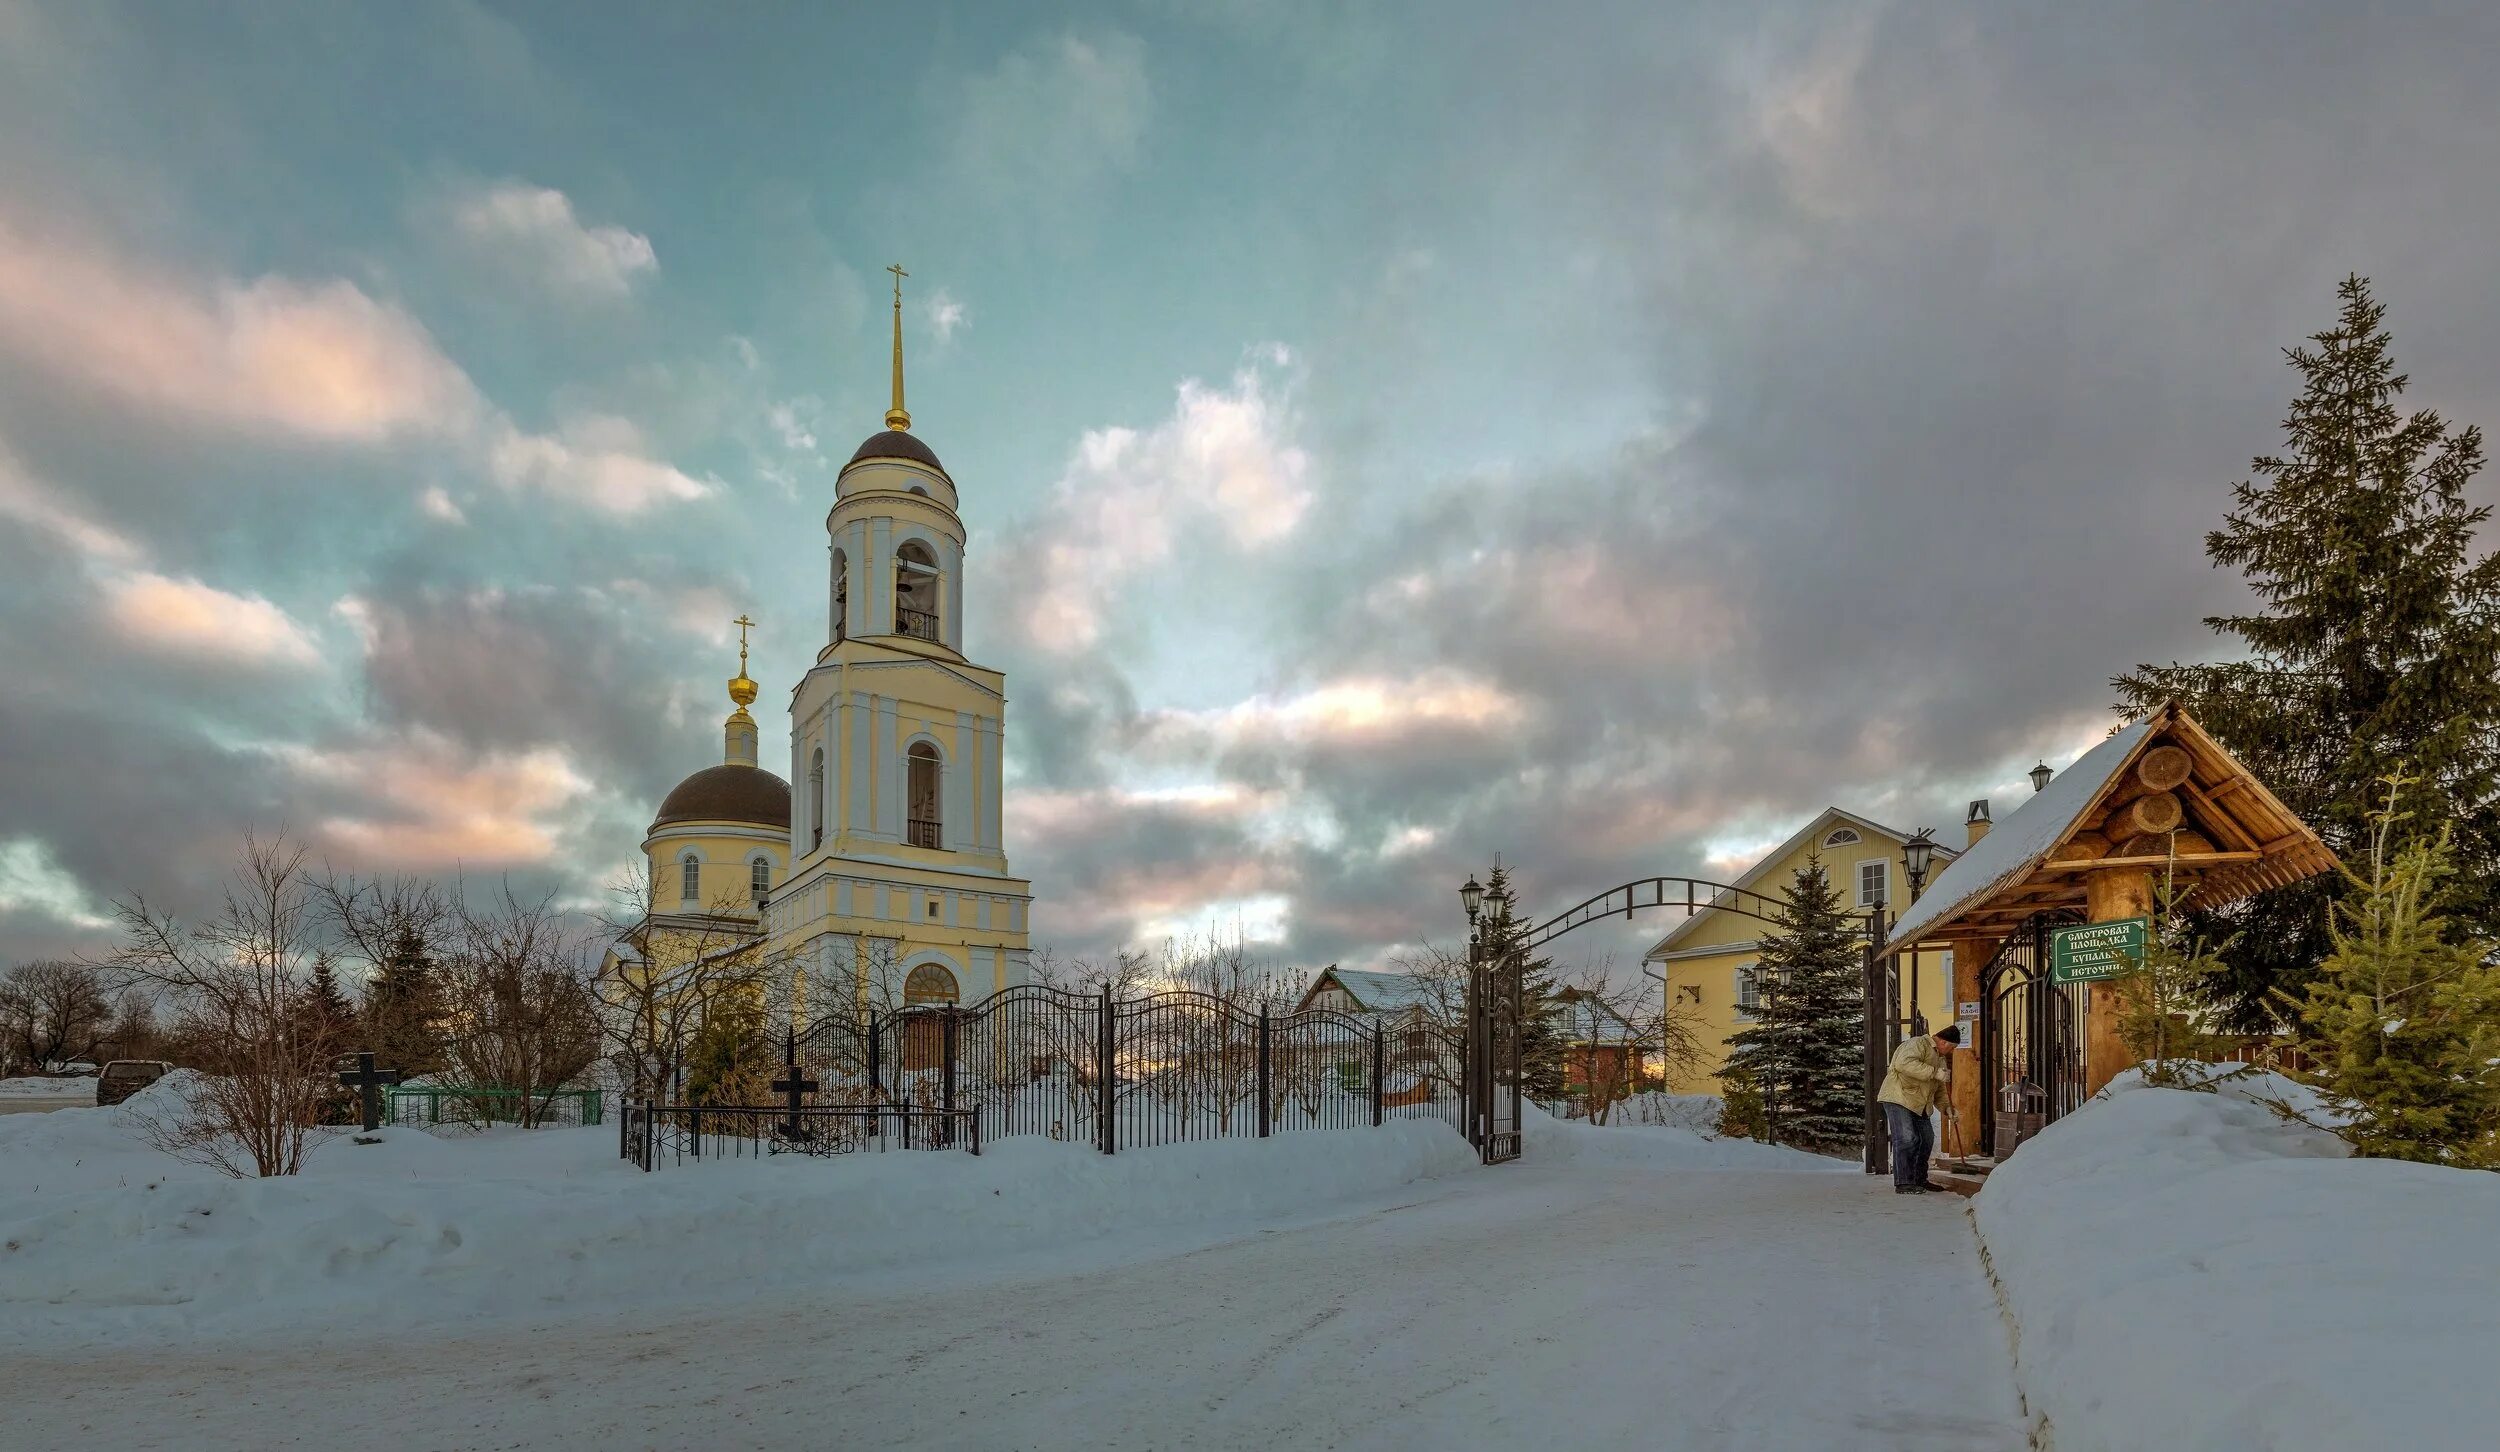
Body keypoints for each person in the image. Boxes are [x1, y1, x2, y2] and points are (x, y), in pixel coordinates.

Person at [1877, 1024, 1960, 1194]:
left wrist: (1947, 1108)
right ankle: (1904, 1183)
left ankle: (1919, 1180)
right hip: (1899, 1097)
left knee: (1926, 1139)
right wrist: (1934, 1072)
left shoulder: (1940, 1059)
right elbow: (1904, 1063)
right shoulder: (1917, 1044)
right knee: (1907, 1139)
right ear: (1943, 1042)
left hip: (1920, 1103)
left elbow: (1940, 1089)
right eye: (1952, 1047)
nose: (1951, 1051)